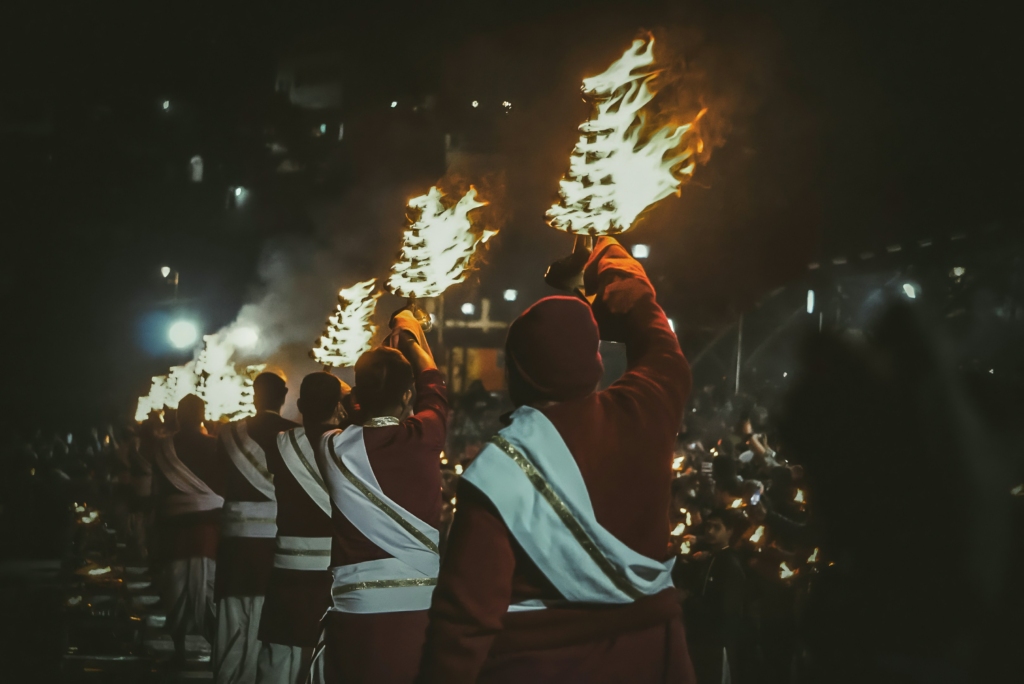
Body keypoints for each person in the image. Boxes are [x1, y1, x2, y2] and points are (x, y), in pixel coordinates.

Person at [418, 237, 695, 683]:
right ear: (597, 363)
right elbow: (656, 335)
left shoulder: (500, 470)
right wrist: (605, 260)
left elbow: (464, 625)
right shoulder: (647, 412)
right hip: (650, 663)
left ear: (516, 375)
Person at [316, 311, 448, 684]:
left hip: (357, 607)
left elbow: (355, 410)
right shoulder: (426, 436)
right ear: (407, 395)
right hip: (421, 607)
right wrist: (408, 334)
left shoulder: (332, 447)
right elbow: (434, 385)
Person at [255, 372, 349, 684]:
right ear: (339, 406)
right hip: (335, 567)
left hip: (288, 566)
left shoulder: (279, 443)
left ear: (298, 404)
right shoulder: (350, 444)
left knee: (280, 655)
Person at [214, 373, 299, 684]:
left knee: (232, 619)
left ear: (254, 396)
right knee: (270, 622)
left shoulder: (228, 434)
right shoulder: (298, 435)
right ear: (284, 397)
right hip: (280, 544)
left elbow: (217, 481)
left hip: (235, 544)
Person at [152, 393, 224, 659]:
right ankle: (218, 649)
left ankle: (180, 647)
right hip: (209, 529)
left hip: (175, 529)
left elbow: (157, 493)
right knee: (209, 592)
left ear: (179, 417)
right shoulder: (216, 446)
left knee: (176, 589)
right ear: (202, 415)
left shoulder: (163, 448)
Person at [681, 510, 748, 684]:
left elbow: (728, 609)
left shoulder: (729, 564)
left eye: (717, 527)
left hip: (718, 642)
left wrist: (689, 600)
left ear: (729, 531)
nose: (710, 531)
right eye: (708, 526)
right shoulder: (711, 558)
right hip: (703, 639)